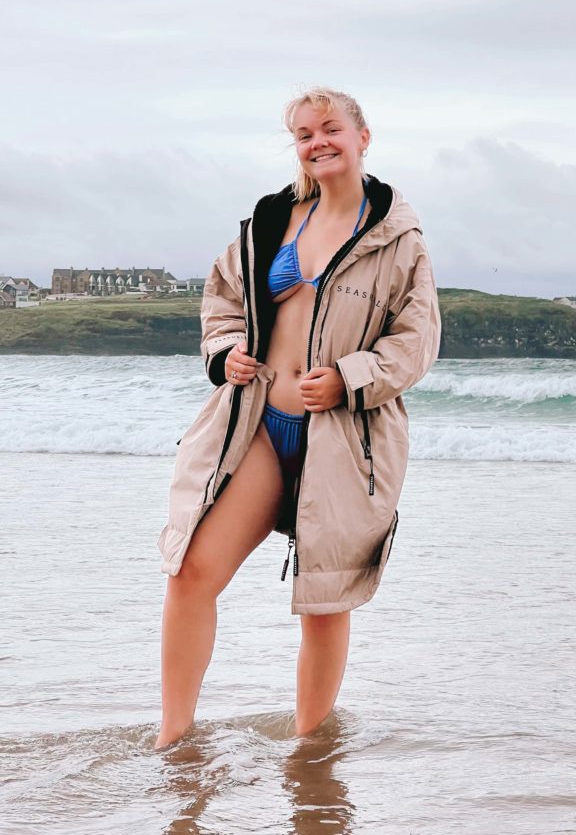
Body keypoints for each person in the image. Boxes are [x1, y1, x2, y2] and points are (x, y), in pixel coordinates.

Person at [155, 87, 441, 750]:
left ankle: (311, 750)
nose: (318, 142)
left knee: (324, 598)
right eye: (304, 134)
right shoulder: (269, 223)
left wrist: (348, 377)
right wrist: (225, 353)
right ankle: (174, 741)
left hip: (342, 439)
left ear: (363, 136)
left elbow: (416, 342)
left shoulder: (399, 240)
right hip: (254, 424)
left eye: (330, 129)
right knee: (192, 573)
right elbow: (222, 301)